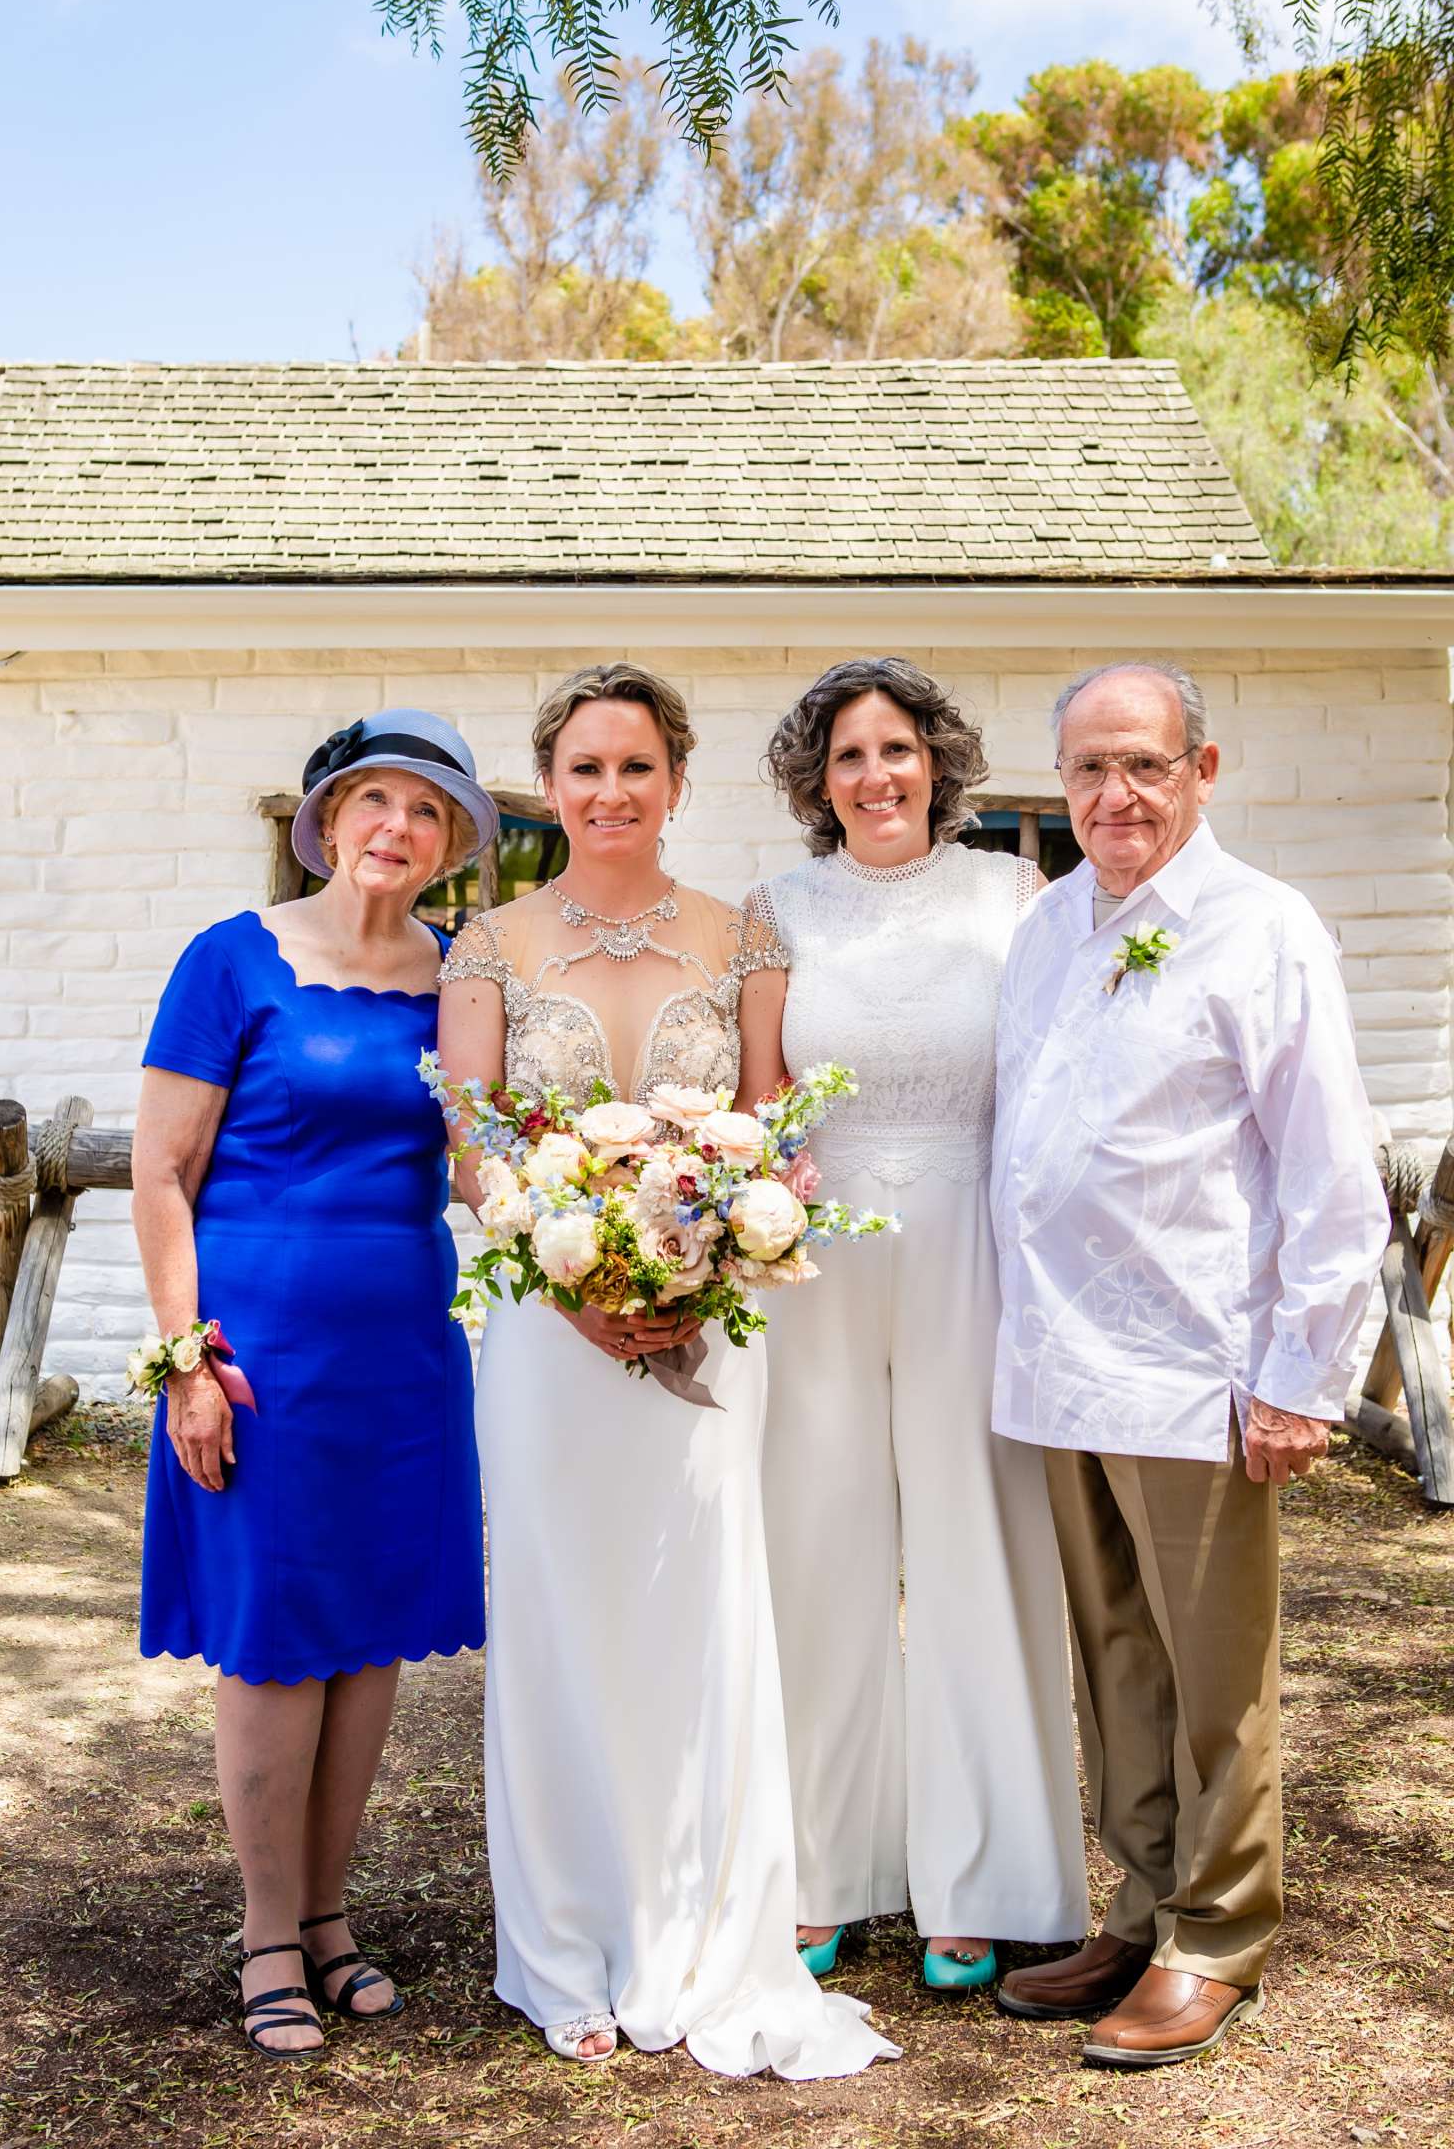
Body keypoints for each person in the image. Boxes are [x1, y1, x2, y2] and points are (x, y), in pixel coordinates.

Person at [437, 662, 898, 2079]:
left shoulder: (742, 931)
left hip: (710, 1328)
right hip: (545, 1332)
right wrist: (576, 1287)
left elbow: (763, 1126)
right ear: (550, 786)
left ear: (676, 783)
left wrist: (699, 1274)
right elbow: (474, 1145)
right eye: (585, 768)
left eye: (636, 767)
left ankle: (707, 1931)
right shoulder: (488, 944)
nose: (611, 792)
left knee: (704, 1615)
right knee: (568, 1622)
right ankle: (564, 1941)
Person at [991, 659, 1387, 2068]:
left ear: (1200, 775)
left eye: (1145, 765)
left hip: (1195, 1366)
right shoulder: (1043, 927)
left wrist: (1302, 1374)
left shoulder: (1260, 928)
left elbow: (1332, 1175)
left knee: (1218, 1677)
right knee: (1117, 1659)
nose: (1116, 795)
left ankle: (1218, 1936)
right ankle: (1144, 1902)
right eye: (1091, 769)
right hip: (1056, 1364)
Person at [133, 708, 497, 2060]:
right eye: (374, 802)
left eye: (426, 810)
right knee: (278, 1641)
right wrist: (187, 1363)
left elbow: (479, 1163)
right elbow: (163, 1176)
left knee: (370, 1639)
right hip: (261, 1351)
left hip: (401, 1351)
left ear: (454, 839)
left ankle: (333, 1918)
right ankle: (267, 1932)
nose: (395, 828)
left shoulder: (462, 974)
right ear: (329, 817)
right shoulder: (233, 960)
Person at [742, 657, 1088, 1996]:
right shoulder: (777, 912)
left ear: (938, 763)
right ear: (817, 785)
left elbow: (1058, 1090)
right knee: (815, 1553)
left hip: (974, 1254)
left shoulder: (1019, 897)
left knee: (978, 1554)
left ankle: (981, 1881)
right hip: (815, 1266)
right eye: (848, 759)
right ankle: (822, 1869)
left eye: (897, 751)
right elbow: (767, 1105)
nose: (876, 777)